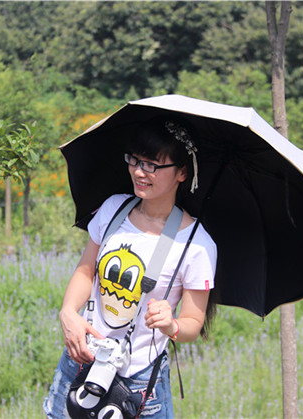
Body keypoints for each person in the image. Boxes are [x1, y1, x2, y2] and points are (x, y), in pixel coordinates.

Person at [44, 116, 217, 418]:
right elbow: (86, 270)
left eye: (152, 165)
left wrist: (172, 325)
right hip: (81, 357)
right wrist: (68, 312)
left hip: (139, 379)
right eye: (135, 160)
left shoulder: (196, 244)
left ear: (182, 172)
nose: (139, 171)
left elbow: (193, 321)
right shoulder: (113, 209)